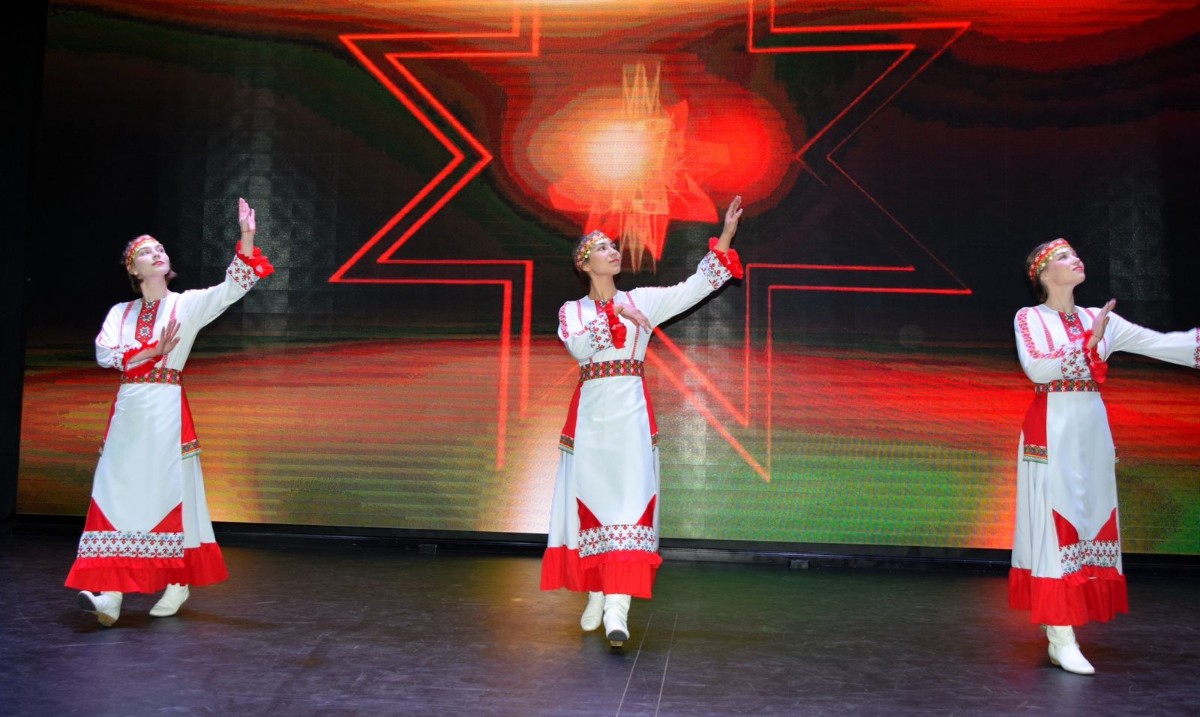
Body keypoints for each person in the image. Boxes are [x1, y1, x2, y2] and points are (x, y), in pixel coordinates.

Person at [541, 197, 745, 648]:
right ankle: (597, 590)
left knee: (631, 510)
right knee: (594, 508)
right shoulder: (572, 312)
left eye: (614, 246)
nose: (613, 251)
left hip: (631, 418)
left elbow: (696, 286)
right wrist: (617, 313)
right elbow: (579, 347)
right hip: (592, 422)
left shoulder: (644, 301)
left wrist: (727, 234)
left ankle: (617, 609)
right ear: (584, 264)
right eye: (602, 248)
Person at [66, 197, 274, 626]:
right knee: (114, 494)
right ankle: (111, 595)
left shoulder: (186, 305)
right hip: (128, 412)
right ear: (134, 269)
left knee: (170, 495)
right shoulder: (120, 313)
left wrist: (247, 237)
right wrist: (150, 350)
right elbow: (105, 353)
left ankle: (175, 581)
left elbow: (233, 286)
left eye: (160, 248)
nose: (157, 253)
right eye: (147, 251)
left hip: (166, 411)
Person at [1010, 238, 1198, 674]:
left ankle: (1059, 624)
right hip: (1051, 431)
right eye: (1063, 256)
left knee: (1091, 519)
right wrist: (1087, 344)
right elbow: (1037, 366)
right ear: (1043, 273)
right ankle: (1061, 637)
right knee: (1056, 526)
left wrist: (1098, 335)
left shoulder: (1100, 318)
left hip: (1092, 432)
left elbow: (1163, 344)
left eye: (1075, 253)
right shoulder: (1029, 317)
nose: (1075, 259)